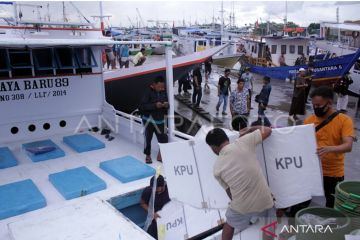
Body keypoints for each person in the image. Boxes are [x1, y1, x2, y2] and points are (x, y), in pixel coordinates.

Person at [205, 127, 274, 240]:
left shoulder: (216, 168)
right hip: (264, 199)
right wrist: (249, 130)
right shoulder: (244, 142)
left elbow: (230, 193)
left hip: (242, 205)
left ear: (213, 147)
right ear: (226, 138)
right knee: (269, 223)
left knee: (229, 224)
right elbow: (268, 130)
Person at [304, 86, 354, 208]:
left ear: (329, 103)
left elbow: (348, 146)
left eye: (319, 105)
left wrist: (330, 148)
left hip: (333, 172)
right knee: (303, 199)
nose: (315, 108)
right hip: (313, 169)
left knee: (332, 204)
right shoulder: (309, 120)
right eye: (314, 105)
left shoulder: (344, 120)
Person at [139, 76, 169, 163]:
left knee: (164, 138)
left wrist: (167, 105)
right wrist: (155, 105)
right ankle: (148, 155)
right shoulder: (148, 92)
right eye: (159, 87)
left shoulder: (163, 91)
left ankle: (160, 156)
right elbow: (142, 106)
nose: (161, 88)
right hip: (148, 120)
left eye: (162, 87)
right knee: (148, 138)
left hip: (160, 120)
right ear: (154, 85)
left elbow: (167, 103)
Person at [140, 175, 170, 240]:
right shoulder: (148, 191)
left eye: (157, 188)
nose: (154, 190)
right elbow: (142, 203)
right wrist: (152, 212)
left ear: (163, 185)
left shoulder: (170, 189)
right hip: (154, 221)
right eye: (153, 188)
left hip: (169, 220)